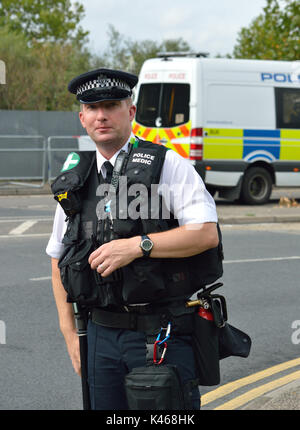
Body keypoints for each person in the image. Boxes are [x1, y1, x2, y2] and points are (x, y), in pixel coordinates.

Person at [46, 67, 219, 410]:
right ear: (82, 118)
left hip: (160, 332)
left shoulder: (168, 165)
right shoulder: (75, 179)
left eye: (111, 105)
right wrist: (69, 336)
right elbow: (58, 256)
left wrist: (138, 246)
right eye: (92, 108)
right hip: (99, 335)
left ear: (131, 112)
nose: (102, 115)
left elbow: (205, 233)